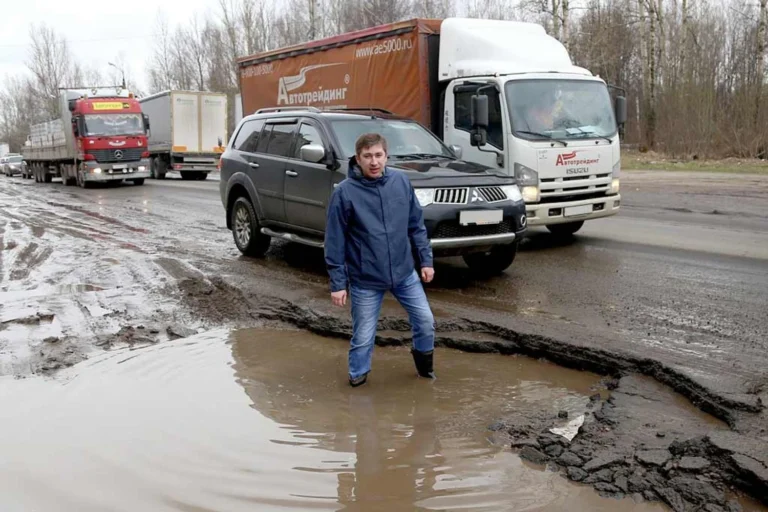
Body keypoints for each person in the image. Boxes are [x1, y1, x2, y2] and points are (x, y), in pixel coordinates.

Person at [325, 133, 436, 387]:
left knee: (426, 321)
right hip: (366, 279)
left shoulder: (400, 181)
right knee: (363, 336)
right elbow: (335, 241)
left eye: (378, 155)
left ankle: (425, 371)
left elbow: (416, 224)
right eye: (367, 156)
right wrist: (338, 283)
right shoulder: (345, 193)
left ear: (386, 156)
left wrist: (425, 260)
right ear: (358, 159)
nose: (373, 162)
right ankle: (357, 378)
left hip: (404, 273)